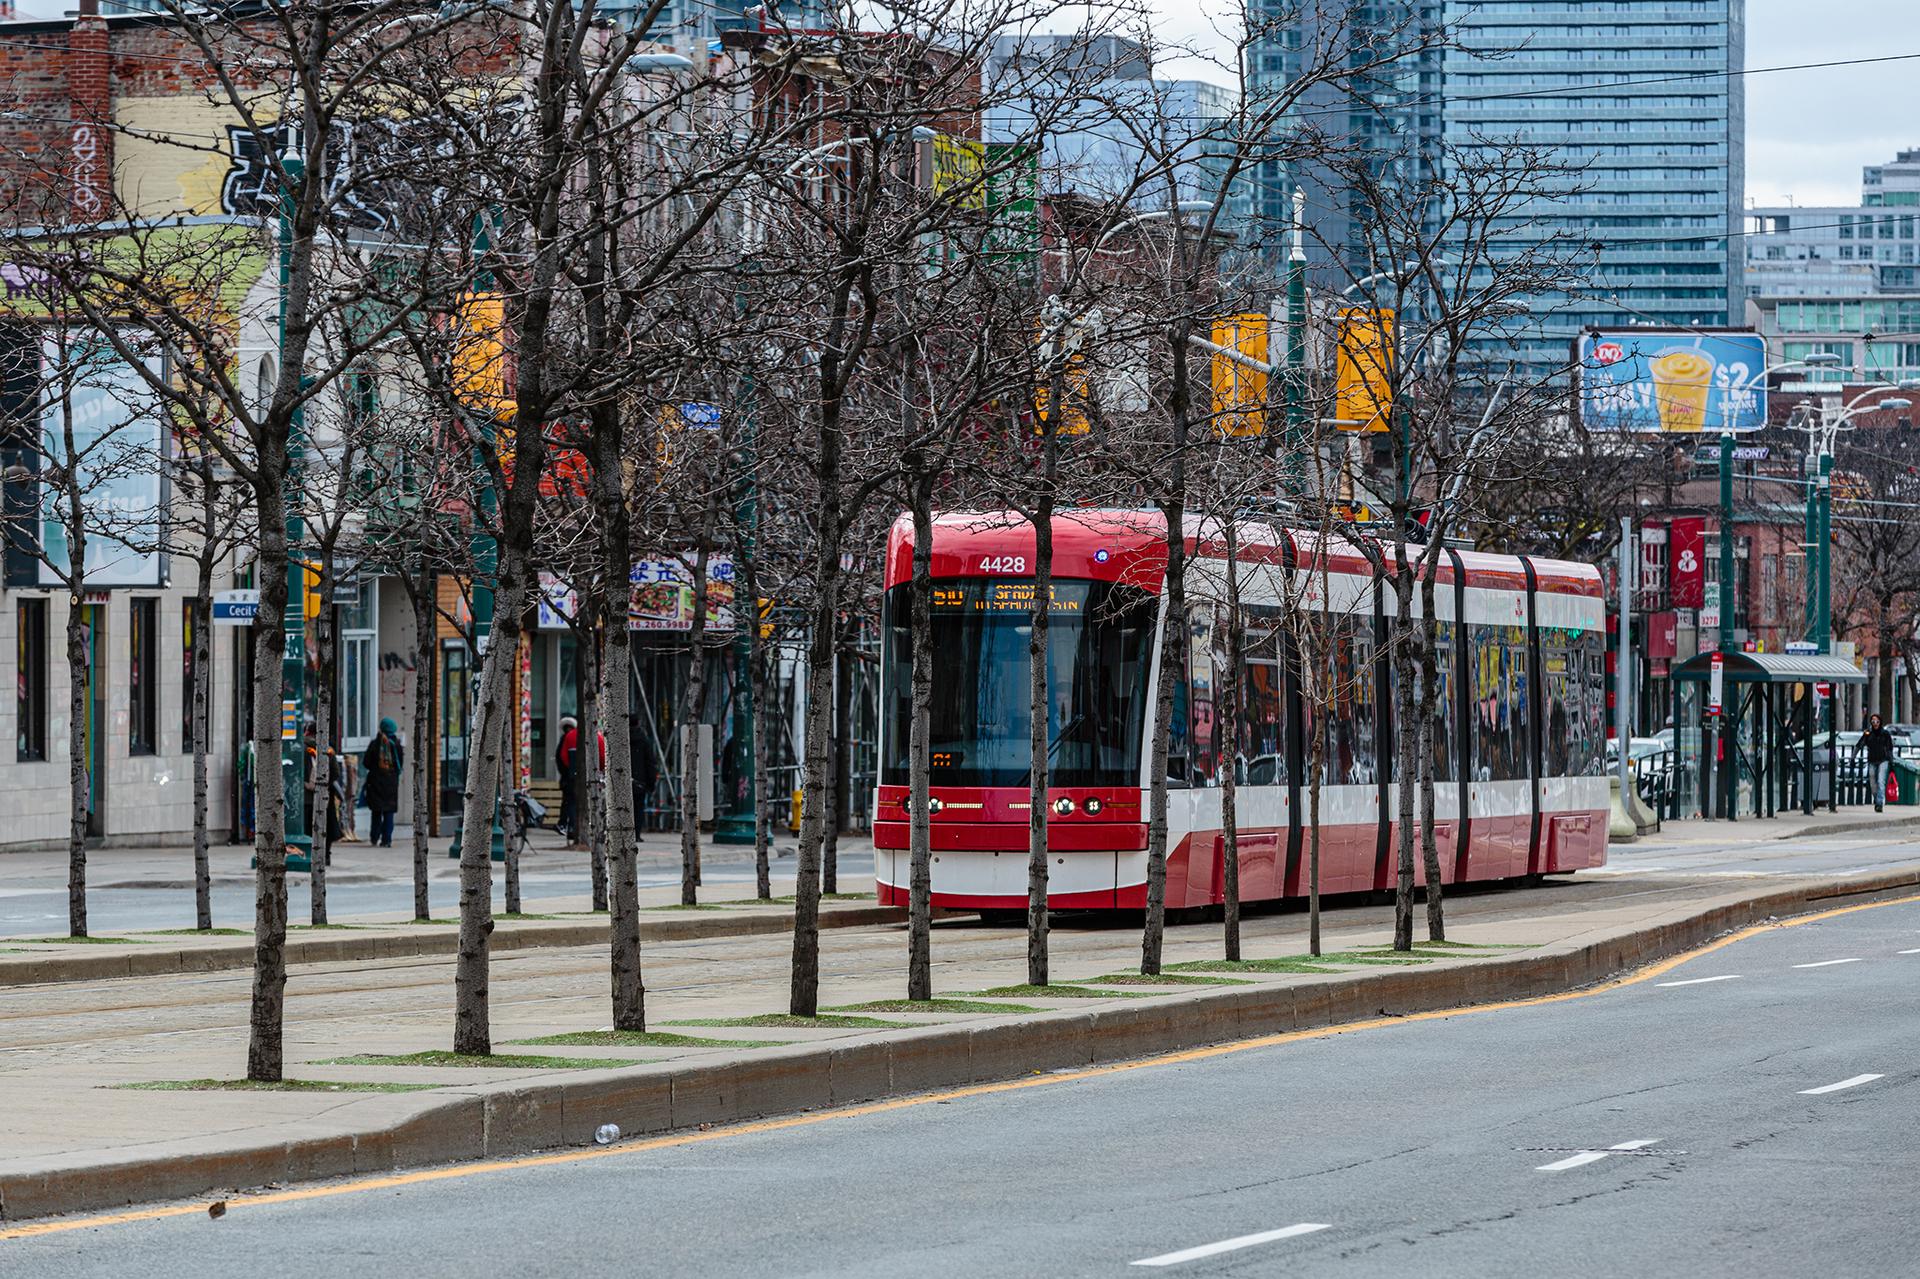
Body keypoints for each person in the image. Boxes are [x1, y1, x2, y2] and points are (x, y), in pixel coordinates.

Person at [360, 717, 404, 847]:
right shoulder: (396, 745)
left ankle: (374, 837)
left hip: (376, 783)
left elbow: (366, 762)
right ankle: (387, 839)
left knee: (376, 811)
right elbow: (399, 764)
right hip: (391, 783)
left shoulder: (375, 744)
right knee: (389, 812)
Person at [1861, 713, 1897, 812]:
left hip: (1883, 760)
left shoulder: (1885, 733)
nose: (1875, 723)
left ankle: (1879, 803)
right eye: (1873, 721)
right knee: (1872, 783)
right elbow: (1860, 744)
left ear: (1880, 722)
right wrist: (1852, 757)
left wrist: (1891, 761)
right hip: (1872, 760)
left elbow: (1889, 748)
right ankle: (1877, 799)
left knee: (1881, 781)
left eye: (1877, 721)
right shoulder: (1868, 733)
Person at [555, 715, 579, 842]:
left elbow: (561, 758)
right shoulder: (576, 739)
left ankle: (565, 824)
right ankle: (569, 825)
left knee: (568, 802)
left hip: (568, 777)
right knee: (570, 802)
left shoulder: (564, 740)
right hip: (571, 777)